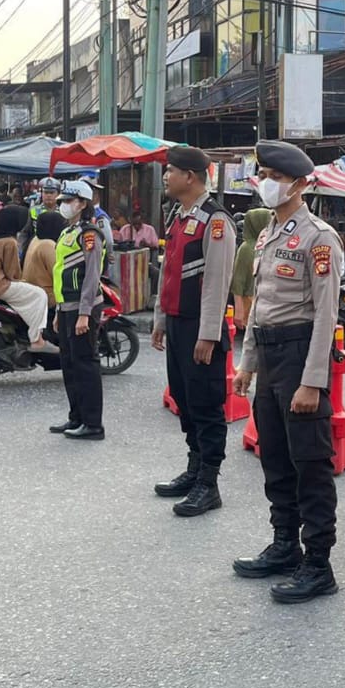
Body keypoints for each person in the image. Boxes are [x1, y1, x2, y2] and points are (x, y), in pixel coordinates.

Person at [232, 140, 345, 604]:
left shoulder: (320, 237)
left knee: (310, 464)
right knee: (275, 458)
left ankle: (318, 563)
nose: (267, 184)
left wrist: (312, 381)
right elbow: (260, 307)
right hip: (272, 357)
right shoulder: (267, 235)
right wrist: (247, 364)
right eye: (263, 175)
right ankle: (284, 545)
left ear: (299, 184)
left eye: (275, 177)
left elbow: (325, 313)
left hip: (301, 355)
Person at [151, 147, 237, 515]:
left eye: (171, 171)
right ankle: (194, 468)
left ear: (190, 176)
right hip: (177, 322)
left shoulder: (215, 221)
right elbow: (168, 271)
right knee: (185, 402)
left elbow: (217, 282)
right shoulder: (178, 215)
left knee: (206, 406)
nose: (166, 176)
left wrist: (208, 334)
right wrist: (159, 318)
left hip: (201, 327)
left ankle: (209, 483)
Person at [49, 180, 107, 440]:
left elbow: (92, 276)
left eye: (68, 201)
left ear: (82, 204)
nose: (63, 205)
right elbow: (61, 272)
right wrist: (58, 312)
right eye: (62, 201)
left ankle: (93, 424)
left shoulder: (90, 234)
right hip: (66, 307)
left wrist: (84, 313)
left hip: (84, 308)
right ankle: (76, 417)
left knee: (85, 365)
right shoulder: (67, 232)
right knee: (70, 365)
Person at [0, 204, 57, 353]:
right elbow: (12, 273)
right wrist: (22, 281)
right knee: (39, 294)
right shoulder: (9, 242)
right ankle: (37, 339)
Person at [230, 207, 272, 329]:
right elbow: (238, 280)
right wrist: (238, 310)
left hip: (263, 300)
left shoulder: (268, 244)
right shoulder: (246, 248)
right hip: (249, 300)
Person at [22, 209, 65, 322]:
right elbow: (60, 273)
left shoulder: (35, 239)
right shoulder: (48, 245)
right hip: (47, 296)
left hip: (32, 291)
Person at [18, 176, 62, 258]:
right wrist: (20, 249)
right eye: (45, 192)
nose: (48, 195)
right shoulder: (33, 210)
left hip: (57, 250)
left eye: (52, 193)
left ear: (58, 194)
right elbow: (25, 233)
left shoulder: (63, 212)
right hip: (36, 249)